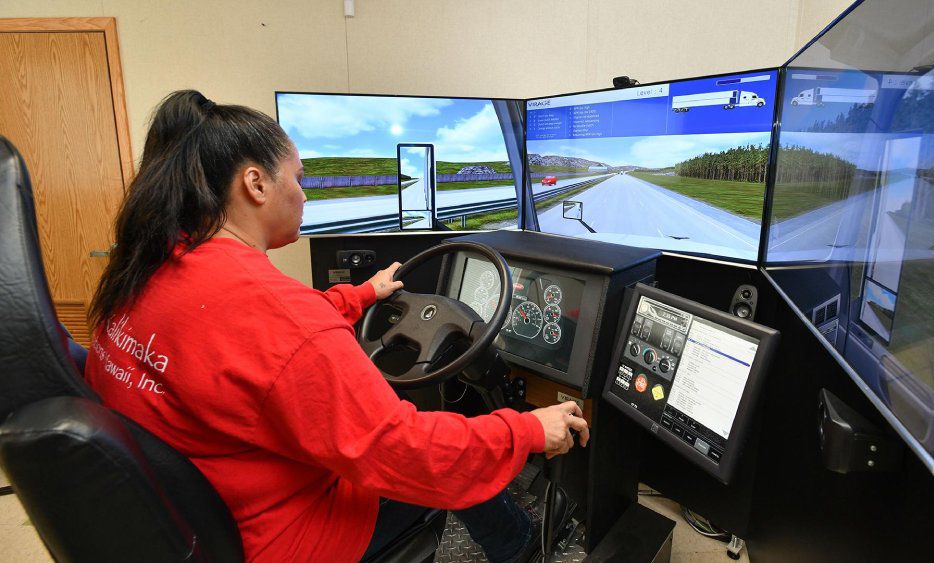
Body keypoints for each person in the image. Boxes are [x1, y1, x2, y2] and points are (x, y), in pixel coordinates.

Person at [84, 90, 589, 562]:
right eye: (298, 179)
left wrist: (363, 294)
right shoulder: (280, 316)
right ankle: (524, 547)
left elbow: (261, 337)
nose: (304, 195)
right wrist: (526, 429)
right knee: (447, 463)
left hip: (192, 522)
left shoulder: (148, 269)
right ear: (256, 184)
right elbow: (406, 453)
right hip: (285, 536)